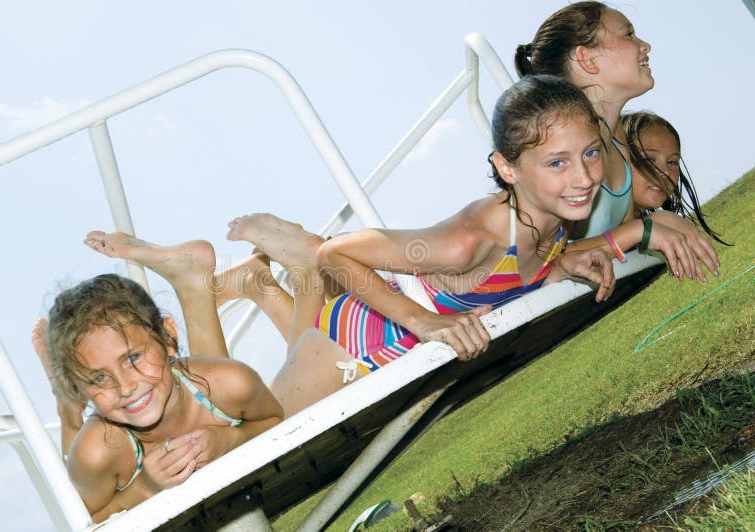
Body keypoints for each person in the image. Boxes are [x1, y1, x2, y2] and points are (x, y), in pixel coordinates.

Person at [204, 75, 614, 401]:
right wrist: (426, 323)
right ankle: (287, 270)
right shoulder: (469, 240)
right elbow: (336, 253)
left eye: (591, 153)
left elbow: (515, 277)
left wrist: (561, 264)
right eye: (558, 162)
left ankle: (270, 281)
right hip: (356, 339)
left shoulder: (556, 213)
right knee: (265, 426)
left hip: (385, 326)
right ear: (507, 168)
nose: (582, 177)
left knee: (287, 374)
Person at [32, 241, 284, 523]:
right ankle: (68, 404)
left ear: (168, 339)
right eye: (99, 377)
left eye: (133, 357)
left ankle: (73, 389)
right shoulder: (96, 452)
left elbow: (275, 419)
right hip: (109, 450)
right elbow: (85, 521)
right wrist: (145, 488)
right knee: (80, 454)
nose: (125, 387)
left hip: (196, 388)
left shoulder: (233, 381)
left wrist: (230, 439)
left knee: (207, 381)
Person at [515, 1, 719, 281]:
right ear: (587, 60)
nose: (644, 45)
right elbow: (540, 260)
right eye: (628, 35)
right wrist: (645, 228)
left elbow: (614, 238)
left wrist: (649, 224)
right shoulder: (559, 149)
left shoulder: (616, 139)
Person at [620, 110, 729, 245]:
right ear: (616, 163)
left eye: (672, 162)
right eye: (648, 160)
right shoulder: (593, 227)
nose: (665, 172)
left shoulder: (659, 235)